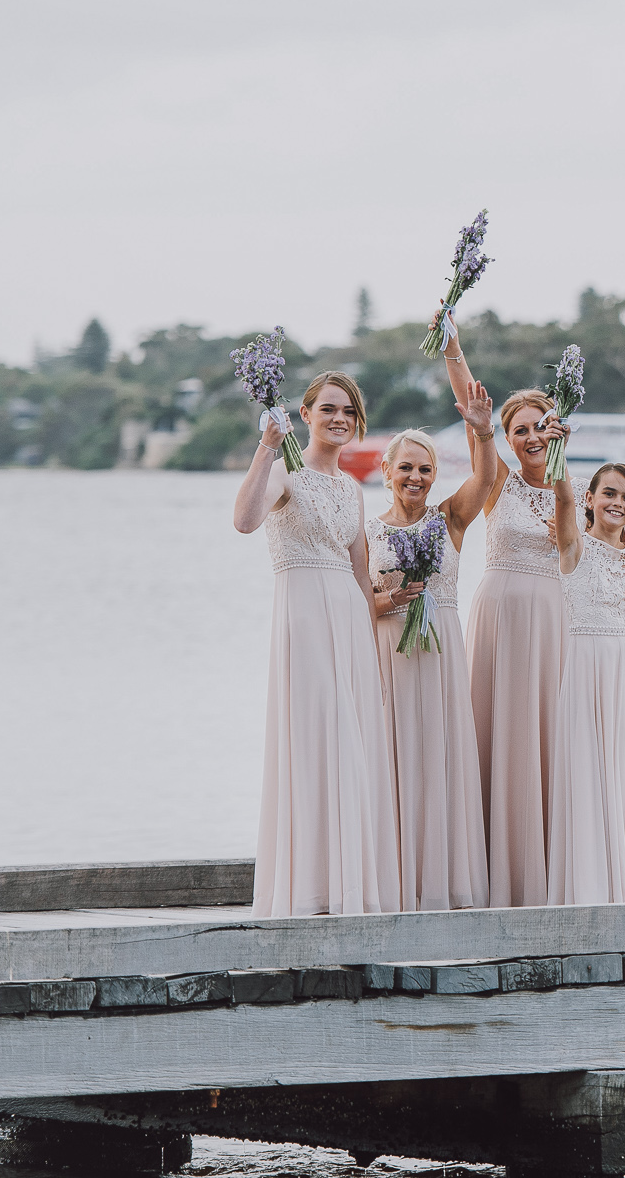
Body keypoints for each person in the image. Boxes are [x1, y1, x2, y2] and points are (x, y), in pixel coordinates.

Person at [233, 371, 400, 917]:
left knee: (350, 746)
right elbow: (243, 521)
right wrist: (266, 449)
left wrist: (372, 648)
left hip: (349, 622)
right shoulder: (285, 474)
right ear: (305, 414)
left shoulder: (352, 489)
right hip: (303, 620)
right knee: (311, 742)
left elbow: (358, 570)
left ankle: (345, 885)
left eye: (349, 411)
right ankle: (305, 889)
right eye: (329, 408)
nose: (339, 419)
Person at [440, 325, 567, 908]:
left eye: (540, 425)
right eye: (520, 430)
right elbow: (474, 415)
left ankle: (554, 861)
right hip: (501, 618)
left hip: (557, 622)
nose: (531, 436)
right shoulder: (496, 486)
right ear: (510, 440)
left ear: (556, 427)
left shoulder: (581, 488)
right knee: (498, 732)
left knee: (549, 736)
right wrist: (453, 351)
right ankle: (493, 865)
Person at [367, 403, 497, 913]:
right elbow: (361, 602)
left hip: (440, 650)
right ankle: (394, 879)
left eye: (425, 469)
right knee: (394, 757)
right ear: (386, 472)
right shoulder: (367, 532)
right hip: (390, 654)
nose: (416, 477)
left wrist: (483, 432)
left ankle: (444, 879)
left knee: (438, 759)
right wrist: (389, 601)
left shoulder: (449, 521)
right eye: (406, 467)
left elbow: (486, 480)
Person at [547, 461, 625, 905]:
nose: (618, 503)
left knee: (624, 777)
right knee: (587, 771)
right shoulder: (573, 547)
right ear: (591, 499)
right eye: (609, 494)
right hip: (586, 669)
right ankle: (588, 887)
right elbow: (562, 500)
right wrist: (559, 451)